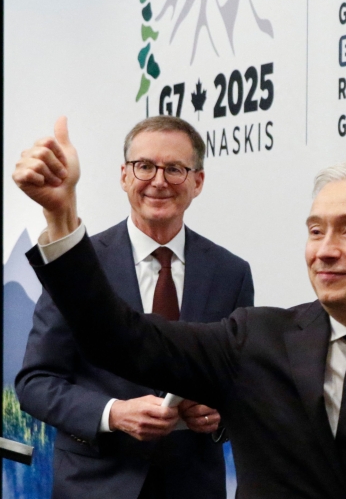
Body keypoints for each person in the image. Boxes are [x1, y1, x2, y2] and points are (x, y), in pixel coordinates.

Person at [13, 117, 346, 499]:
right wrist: (61, 217)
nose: (324, 249)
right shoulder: (256, 340)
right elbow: (118, 338)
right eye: (315, 230)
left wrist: (216, 416)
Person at [14, 116, 254, 499]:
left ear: (198, 182)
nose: (158, 181)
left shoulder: (231, 273)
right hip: (94, 485)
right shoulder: (77, 265)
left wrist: (217, 413)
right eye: (145, 166)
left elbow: (242, 384)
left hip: (193, 487)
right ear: (124, 176)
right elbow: (35, 382)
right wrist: (112, 413)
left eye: (175, 169)